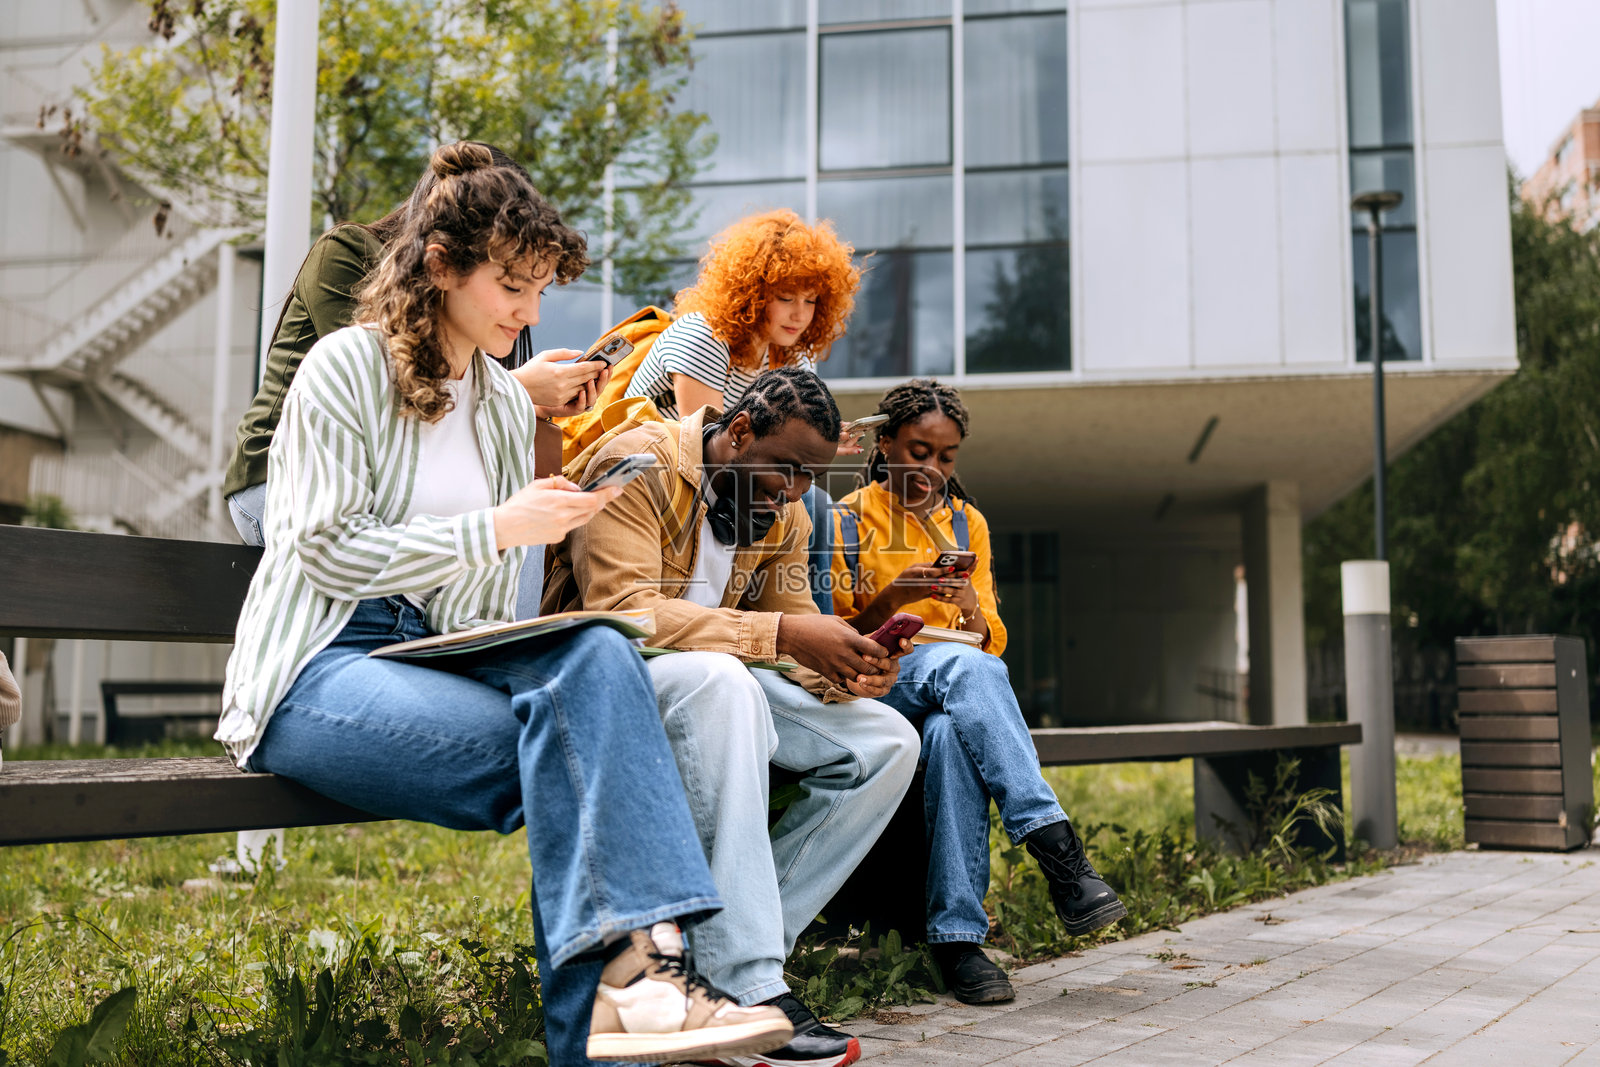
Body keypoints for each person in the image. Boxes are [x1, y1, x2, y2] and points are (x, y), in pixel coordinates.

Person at [216, 142, 793, 1066]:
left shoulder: (495, 402)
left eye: (539, 291)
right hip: (317, 668)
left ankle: (627, 998)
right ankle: (644, 982)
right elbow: (317, 545)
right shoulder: (343, 368)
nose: (530, 315)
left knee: (598, 655)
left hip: (430, 656)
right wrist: (493, 529)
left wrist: (545, 524)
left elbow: (477, 608)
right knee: (578, 754)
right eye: (513, 288)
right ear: (441, 267)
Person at [545, 367, 920, 1067]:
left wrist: (848, 667)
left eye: (811, 476)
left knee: (888, 739)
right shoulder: (638, 464)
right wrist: (780, 636)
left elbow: (796, 630)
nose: (796, 491)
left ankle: (720, 956)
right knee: (725, 679)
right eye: (786, 468)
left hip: (718, 683)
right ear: (740, 430)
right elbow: (622, 610)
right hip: (601, 681)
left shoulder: (784, 511)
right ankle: (748, 987)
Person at [829, 380, 1126, 1005]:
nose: (931, 469)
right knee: (962, 675)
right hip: (875, 686)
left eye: (946, 456)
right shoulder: (846, 519)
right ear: (885, 444)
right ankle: (1057, 850)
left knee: (950, 731)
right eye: (917, 451)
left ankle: (959, 940)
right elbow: (839, 636)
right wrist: (897, 598)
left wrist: (969, 610)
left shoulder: (968, 523)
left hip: (950, 688)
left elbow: (991, 642)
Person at [622, 209, 866, 613]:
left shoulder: (789, 356)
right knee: (811, 505)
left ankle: (813, 631)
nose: (800, 314)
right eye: (785, 297)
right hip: (663, 480)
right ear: (752, 293)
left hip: (729, 482)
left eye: (811, 300)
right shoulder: (704, 336)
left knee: (811, 505)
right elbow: (710, 443)